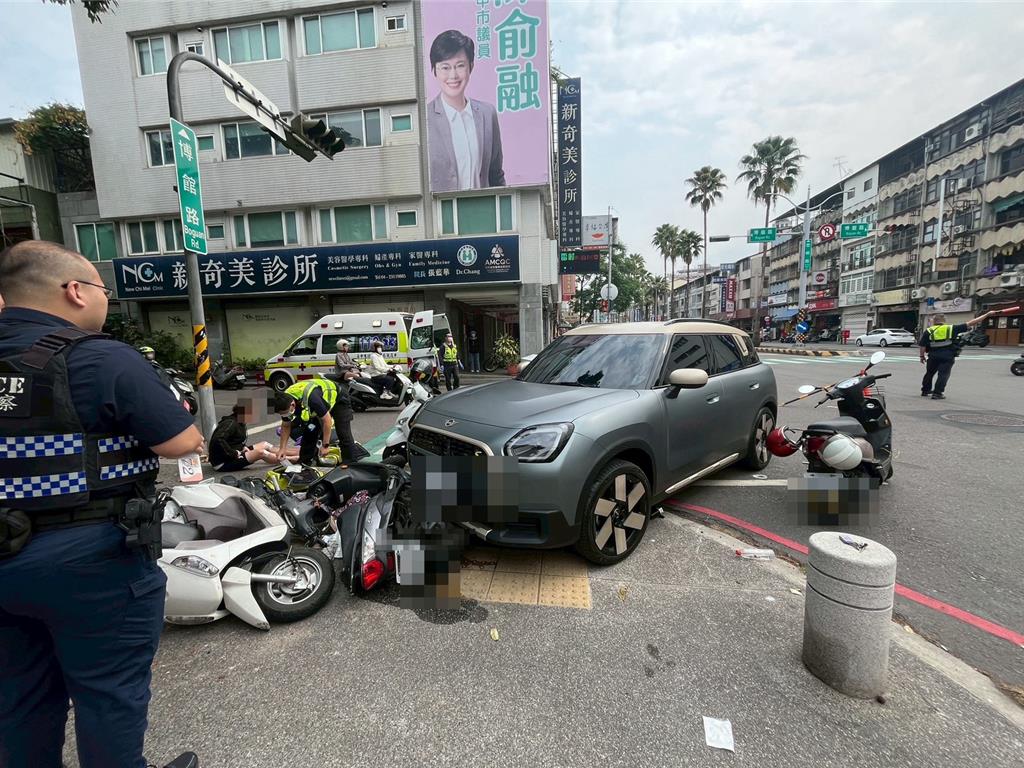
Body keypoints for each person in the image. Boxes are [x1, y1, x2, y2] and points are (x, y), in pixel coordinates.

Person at [0, 240, 203, 768]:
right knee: (107, 693)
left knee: (19, 697)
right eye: (101, 289)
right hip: (89, 560)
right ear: (74, 291)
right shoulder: (97, 357)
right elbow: (181, 441)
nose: (104, 300)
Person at [426, 29, 505, 193]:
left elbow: (496, 175)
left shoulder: (487, 114)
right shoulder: (424, 119)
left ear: (471, 67)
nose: (453, 75)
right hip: (439, 215)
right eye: (445, 67)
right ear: (434, 70)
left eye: (460, 66)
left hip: (484, 212)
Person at [273, 374, 362, 465]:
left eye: (285, 413)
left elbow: (327, 421)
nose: (284, 415)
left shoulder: (312, 398)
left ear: (292, 405)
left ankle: (350, 462)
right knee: (310, 430)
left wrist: (325, 445)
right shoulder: (285, 400)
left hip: (339, 398)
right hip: (318, 404)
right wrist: (282, 449)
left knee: (343, 432)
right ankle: (305, 463)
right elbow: (286, 425)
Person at [919, 310, 999, 399]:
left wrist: (922, 356)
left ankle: (925, 391)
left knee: (929, 373)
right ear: (944, 320)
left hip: (933, 355)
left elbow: (922, 345)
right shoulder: (951, 328)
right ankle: (937, 393)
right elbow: (972, 322)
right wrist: (987, 314)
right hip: (947, 355)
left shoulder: (929, 331)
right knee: (943, 374)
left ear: (934, 321)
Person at [209, 401, 297, 472]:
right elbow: (218, 439)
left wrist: (242, 447)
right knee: (261, 452)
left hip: (233, 454)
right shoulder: (230, 423)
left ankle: (295, 453)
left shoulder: (240, 422)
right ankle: (294, 459)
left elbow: (233, 440)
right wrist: (234, 453)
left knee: (264, 444)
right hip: (223, 463)